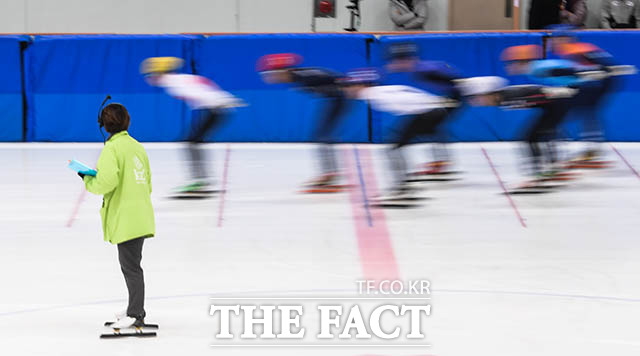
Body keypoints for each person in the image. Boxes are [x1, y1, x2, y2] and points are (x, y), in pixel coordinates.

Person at [81, 102, 155, 329]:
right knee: (132, 264)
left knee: (131, 267)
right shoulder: (137, 147)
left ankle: (136, 313)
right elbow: (148, 182)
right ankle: (134, 307)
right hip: (140, 214)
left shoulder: (111, 149)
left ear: (103, 124)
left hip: (126, 217)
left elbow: (106, 182)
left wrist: (87, 178)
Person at [341, 68, 461, 200]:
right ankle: (405, 185)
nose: (346, 89)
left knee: (394, 148)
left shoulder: (374, 95)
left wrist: (434, 103)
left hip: (427, 113)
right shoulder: (379, 92)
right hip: (428, 112)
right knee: (396, 145)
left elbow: (408, 97)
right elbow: (406, 90)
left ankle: (402, 189)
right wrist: (436, 101)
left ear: (361, 85)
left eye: (349, 85)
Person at [140, 57, 244, 195]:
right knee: (193, 143)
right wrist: (226, 99)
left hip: (216, 109)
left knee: (191, 143)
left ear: (159, 73)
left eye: (149, 75)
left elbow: (202, 93)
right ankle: (202, 180)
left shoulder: (172, 83)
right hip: (216, 108)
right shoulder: (179, 79)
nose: (148, 79)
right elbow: (206, 87)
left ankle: (200, 181)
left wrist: (223, 101)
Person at [256, 53, 349, 191]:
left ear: (284, 71)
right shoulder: (299, 77)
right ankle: (330, 173)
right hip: (334, 100)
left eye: (271, 74)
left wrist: (320, 90)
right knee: (321, 136)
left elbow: (342, 83)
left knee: (323, 136)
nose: (270, 78)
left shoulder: (306, 76)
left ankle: (330, 174)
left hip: (339, 100)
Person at [385, 42, 464, 176]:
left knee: (426, 125)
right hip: (452, 98)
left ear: (407, 60)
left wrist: (444, 102)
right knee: (430, 128)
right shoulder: (421, 69)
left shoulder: (423, 71)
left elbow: (458, 82)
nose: (393, 66)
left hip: (455, 99)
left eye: (396, 62)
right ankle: (441, 161)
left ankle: (441, 162)